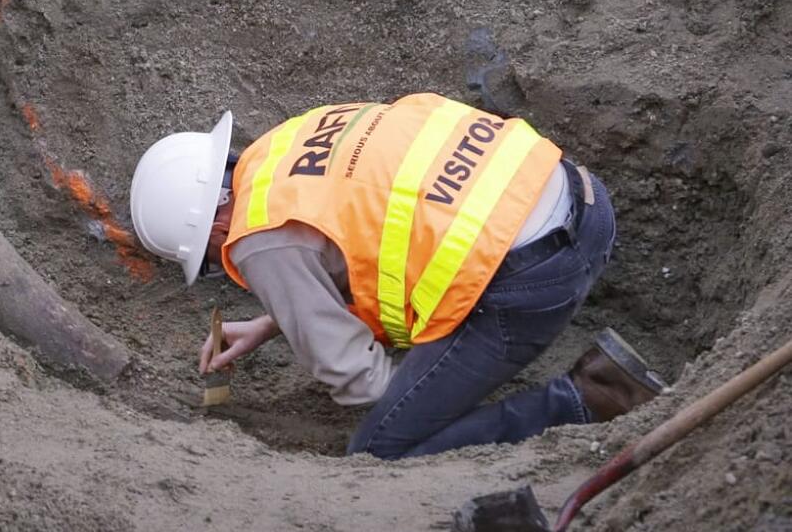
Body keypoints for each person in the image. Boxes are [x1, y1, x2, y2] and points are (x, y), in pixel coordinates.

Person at [130, 95, 668, 460]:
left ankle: (588, 399)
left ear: (211, 223)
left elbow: (361, 381)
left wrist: (412, 400)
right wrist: (275, 320)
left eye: (208, 256)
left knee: (380, 447)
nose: (223, 260)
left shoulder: (257, 239)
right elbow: (367, 222)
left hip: (533, 277)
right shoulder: (283, 144)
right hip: (584, 203)